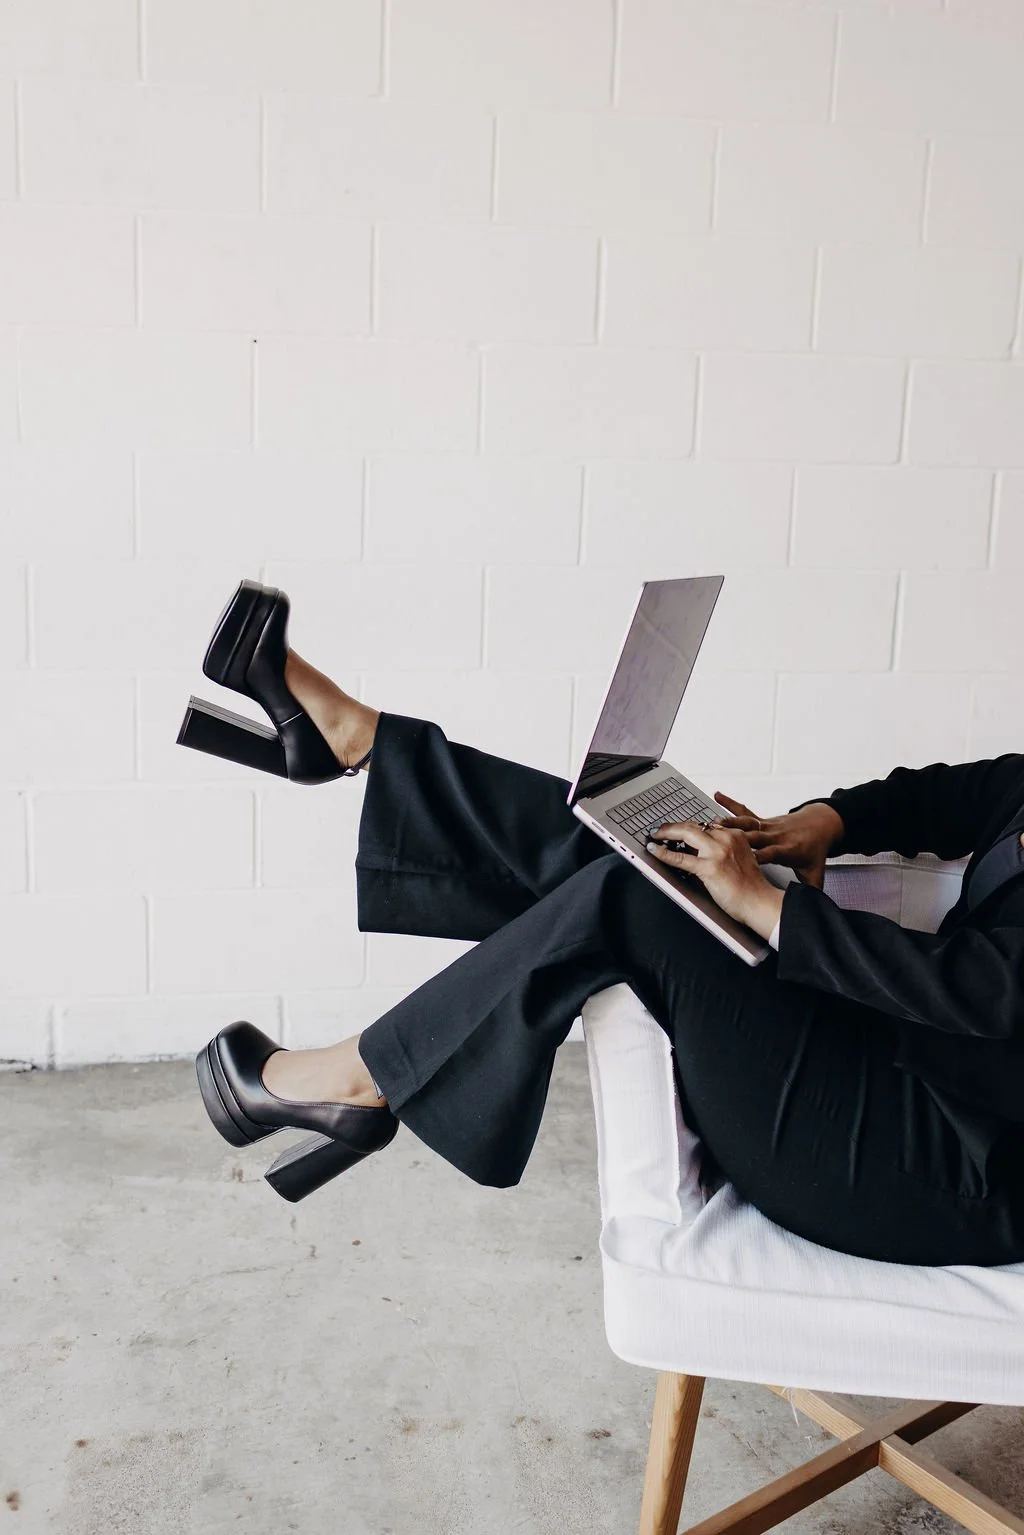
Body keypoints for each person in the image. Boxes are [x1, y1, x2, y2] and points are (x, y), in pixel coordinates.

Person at [184, 580, 1024, 1267]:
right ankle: (354, 738)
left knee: (637, 900)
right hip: (893, 1054)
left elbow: (995, 990)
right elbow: (964, 792)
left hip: (932, 1166)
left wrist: (768, 906)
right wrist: (819, 821)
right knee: (642, 844)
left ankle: (359, 1081)